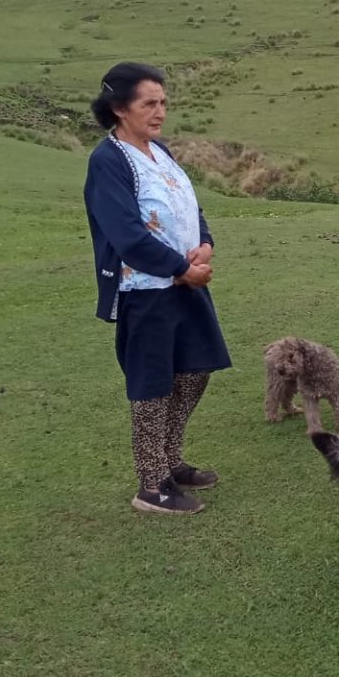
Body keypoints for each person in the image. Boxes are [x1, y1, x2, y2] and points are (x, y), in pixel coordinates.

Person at [84, 63, 232, 515]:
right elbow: (126, 235)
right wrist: (180, 268)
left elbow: (189, 206)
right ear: (119, 108)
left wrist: (205, 244)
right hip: (145, 290)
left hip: (186, 282)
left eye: (163, 102)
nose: (160, 111)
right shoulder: (108, 161)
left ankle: (169, 460)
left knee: (195, 369)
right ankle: (151, 486)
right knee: (152, 386)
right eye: (149, 103)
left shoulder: (159, 151)